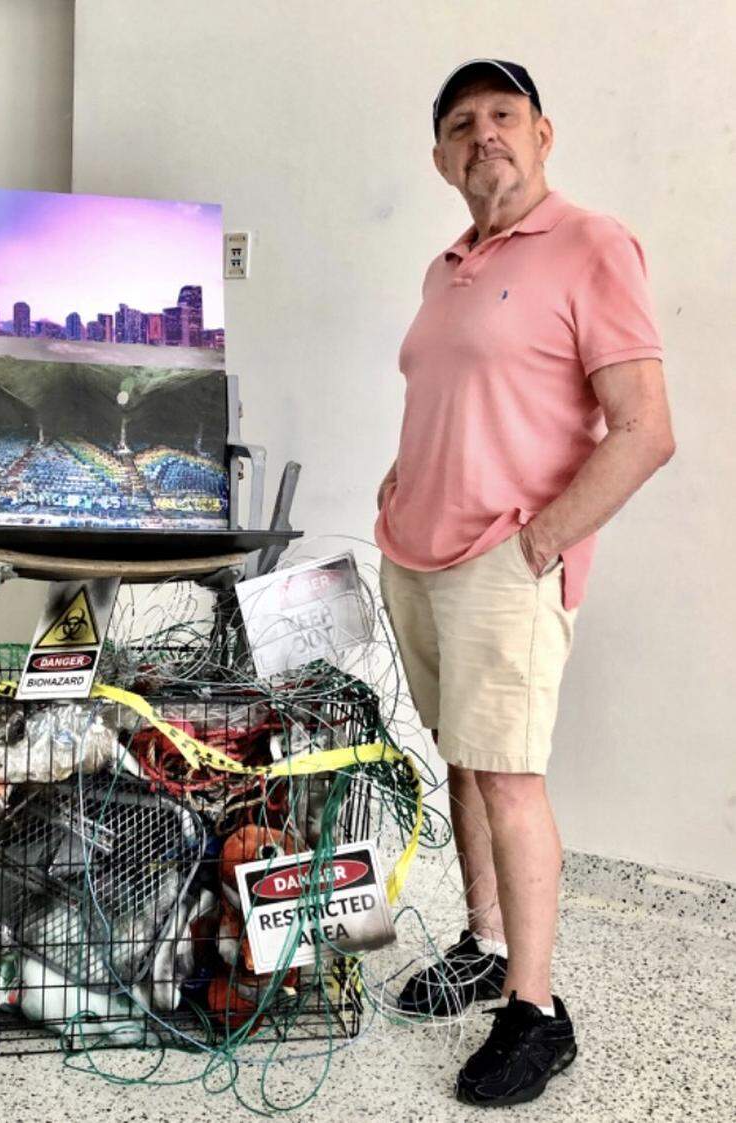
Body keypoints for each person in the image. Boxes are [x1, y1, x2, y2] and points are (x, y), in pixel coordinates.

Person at [375, 59, 674, 1106]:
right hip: (418, 554)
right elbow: (459, 396)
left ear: (543, 134)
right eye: (462, 123)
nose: (484, 134)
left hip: (504, 561)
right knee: (463, 756)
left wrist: (541, 540)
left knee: (508, 774)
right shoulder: (446, 267)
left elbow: (645, 429)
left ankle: (536, 1010)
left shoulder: (592, 244)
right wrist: (400, 480)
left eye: (504, 114)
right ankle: (486, 943)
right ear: (441, 158)